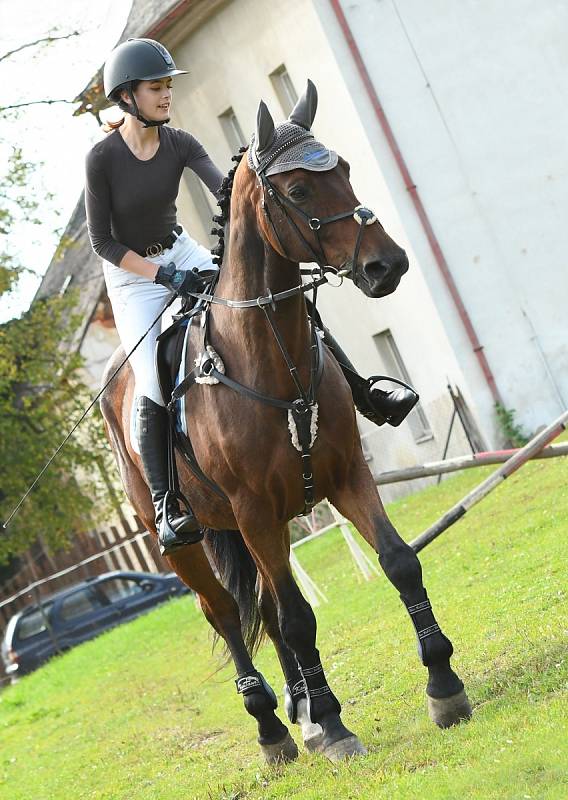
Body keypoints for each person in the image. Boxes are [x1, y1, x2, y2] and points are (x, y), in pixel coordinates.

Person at [85, 37, 417, 556]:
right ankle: (168, 499)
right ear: (126, 96)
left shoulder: (180, 143)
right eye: (157, 87)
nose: (167, 95)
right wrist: (165, 278)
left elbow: (233, 197)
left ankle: (364, 392)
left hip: (184, 251)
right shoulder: (102, 159)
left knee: (275, 305)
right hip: (132, 277)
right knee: (149, 372)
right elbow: (103, 241)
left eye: (168, 86)